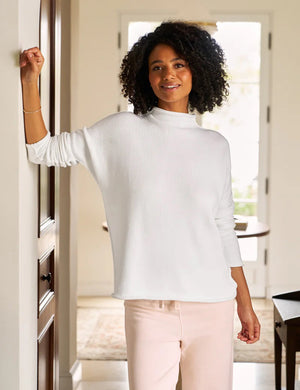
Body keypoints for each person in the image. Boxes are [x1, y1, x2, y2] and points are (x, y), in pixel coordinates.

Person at [20, 21, 260, 390]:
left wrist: (244, 302)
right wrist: (30, 82)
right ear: (144, 76)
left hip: (213, 302)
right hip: (148, 307)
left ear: (198, 69)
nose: (169, 75)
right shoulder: (120, 132)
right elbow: (42, 150)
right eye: (157, 66)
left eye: (179, 64)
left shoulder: (216, 146)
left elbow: (223, 226)